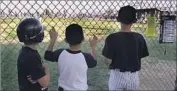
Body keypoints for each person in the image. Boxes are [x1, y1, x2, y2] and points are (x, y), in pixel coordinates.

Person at [102, 5, 149, 90]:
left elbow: (107, 61)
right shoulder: (139, 38)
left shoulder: (112, 38)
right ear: (133, 21)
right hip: (133, 77)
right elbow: (139, 57)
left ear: (119, 19)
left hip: (117, 75)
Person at [44, 24, 98, 91]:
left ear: (66, 40)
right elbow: (94, 62)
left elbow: (47, 56)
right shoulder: (86, 57)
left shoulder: (60, 53)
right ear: (83, 39)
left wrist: (53, 40)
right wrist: (93, 47)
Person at [17, 18, 50, 91]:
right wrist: (46, 69)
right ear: (38, 36)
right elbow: (45, 83)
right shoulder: (31, 57)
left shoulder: (26, 51)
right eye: (41, 32)